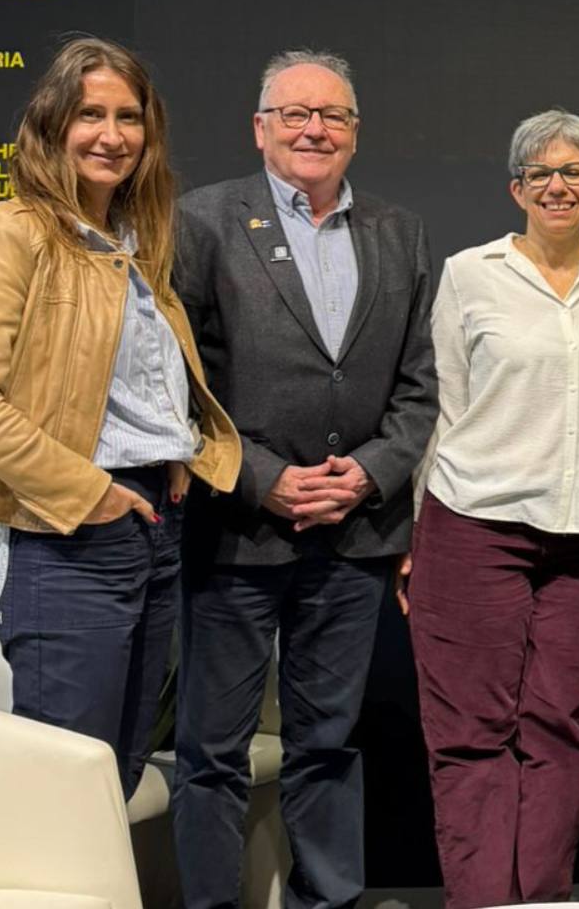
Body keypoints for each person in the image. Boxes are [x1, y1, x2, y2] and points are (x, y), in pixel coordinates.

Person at [0, 36, 241, 800]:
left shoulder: (135, 246)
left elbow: (129, 385)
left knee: (116, 779)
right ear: (51, 125)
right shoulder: (9, 234)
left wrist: (173, 454)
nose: (112, 134)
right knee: (63, 789)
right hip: (62, 537)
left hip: (149, 526)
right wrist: (88, 491)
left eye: (129, 116)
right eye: (90, 114)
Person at [170, 49, 437, 909]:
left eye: (332, 116)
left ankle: (329, 901)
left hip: (354, 538)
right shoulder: (201, 222)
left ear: (356, 133)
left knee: (329, 742)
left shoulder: (399, 232)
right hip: (236, 531)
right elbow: (173, 383)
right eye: (294, 114)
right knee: (213, 751)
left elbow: (421, 386)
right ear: (260, 128)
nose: (314, 128)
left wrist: (367, 474)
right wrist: (264, 479)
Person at [405, 109, 579, 908]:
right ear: (516, 189)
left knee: (562, 730)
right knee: (470, 736)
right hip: (474, 525)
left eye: (573, 172)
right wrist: (414, 535)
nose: (557, 186)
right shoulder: (471, 274)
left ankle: (540, 904)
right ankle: (482, 905)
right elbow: (439, 407)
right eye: (540, 174)